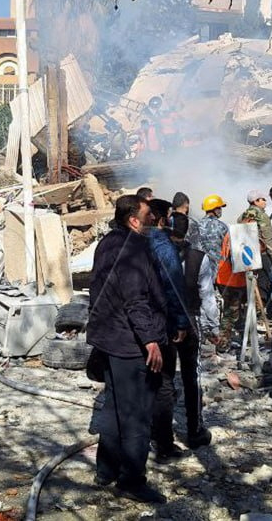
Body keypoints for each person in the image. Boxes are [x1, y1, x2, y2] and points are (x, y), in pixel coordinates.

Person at [87, 195, 168, 504]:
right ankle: (131, 480)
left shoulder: (107, 242)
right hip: (128, 342)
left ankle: (105, 470)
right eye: (148, 215)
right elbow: (135, 299)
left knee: (113, 407)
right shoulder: (133, 248)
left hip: (108, 338)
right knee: (136, 415)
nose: (153, 219)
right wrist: (150, 339)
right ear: (133, 220)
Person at [145, 199, 199, 459]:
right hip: (170, 323)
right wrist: (181, 323)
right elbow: (174, 288)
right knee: (177, 379)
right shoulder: (166, 248)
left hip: (146, 323)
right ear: (161, 219)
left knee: (156, 379)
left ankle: (154, 433)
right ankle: (185, 434)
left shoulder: (135, 242)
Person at [237, 190, 272, 316]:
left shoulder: (242, 216)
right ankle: (266, 311)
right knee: (269, 283)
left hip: (247, 256)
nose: (265, 202)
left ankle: (253, 312)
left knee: (252, 283)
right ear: (256, 201)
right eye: (263, 199)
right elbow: (268, 239)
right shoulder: (262, 216)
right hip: (262, 255)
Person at [191, 195, 227, 340]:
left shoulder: (196, 225)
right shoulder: (222, 226)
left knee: (202, 298)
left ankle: (203, 328)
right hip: (219, 269)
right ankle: (215, 329)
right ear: (214, 209)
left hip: (199, 267)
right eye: (219, 208)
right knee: (212, 300)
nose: (221, 211)